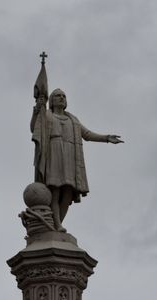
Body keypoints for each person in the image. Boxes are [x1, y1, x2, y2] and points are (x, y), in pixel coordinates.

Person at [31, 88, 123, 231]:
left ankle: (54, 225)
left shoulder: (72, 120)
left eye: (64, 96)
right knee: (55, 191)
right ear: (52, 101)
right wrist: (37, 110)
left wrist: (106, 138)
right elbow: (34, 128)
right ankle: (57, 225)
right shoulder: (47, 116)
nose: (61, 98)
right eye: (57, 96)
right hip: (54, 152)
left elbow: (87, 134)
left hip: (70, 155)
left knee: (68, 193)